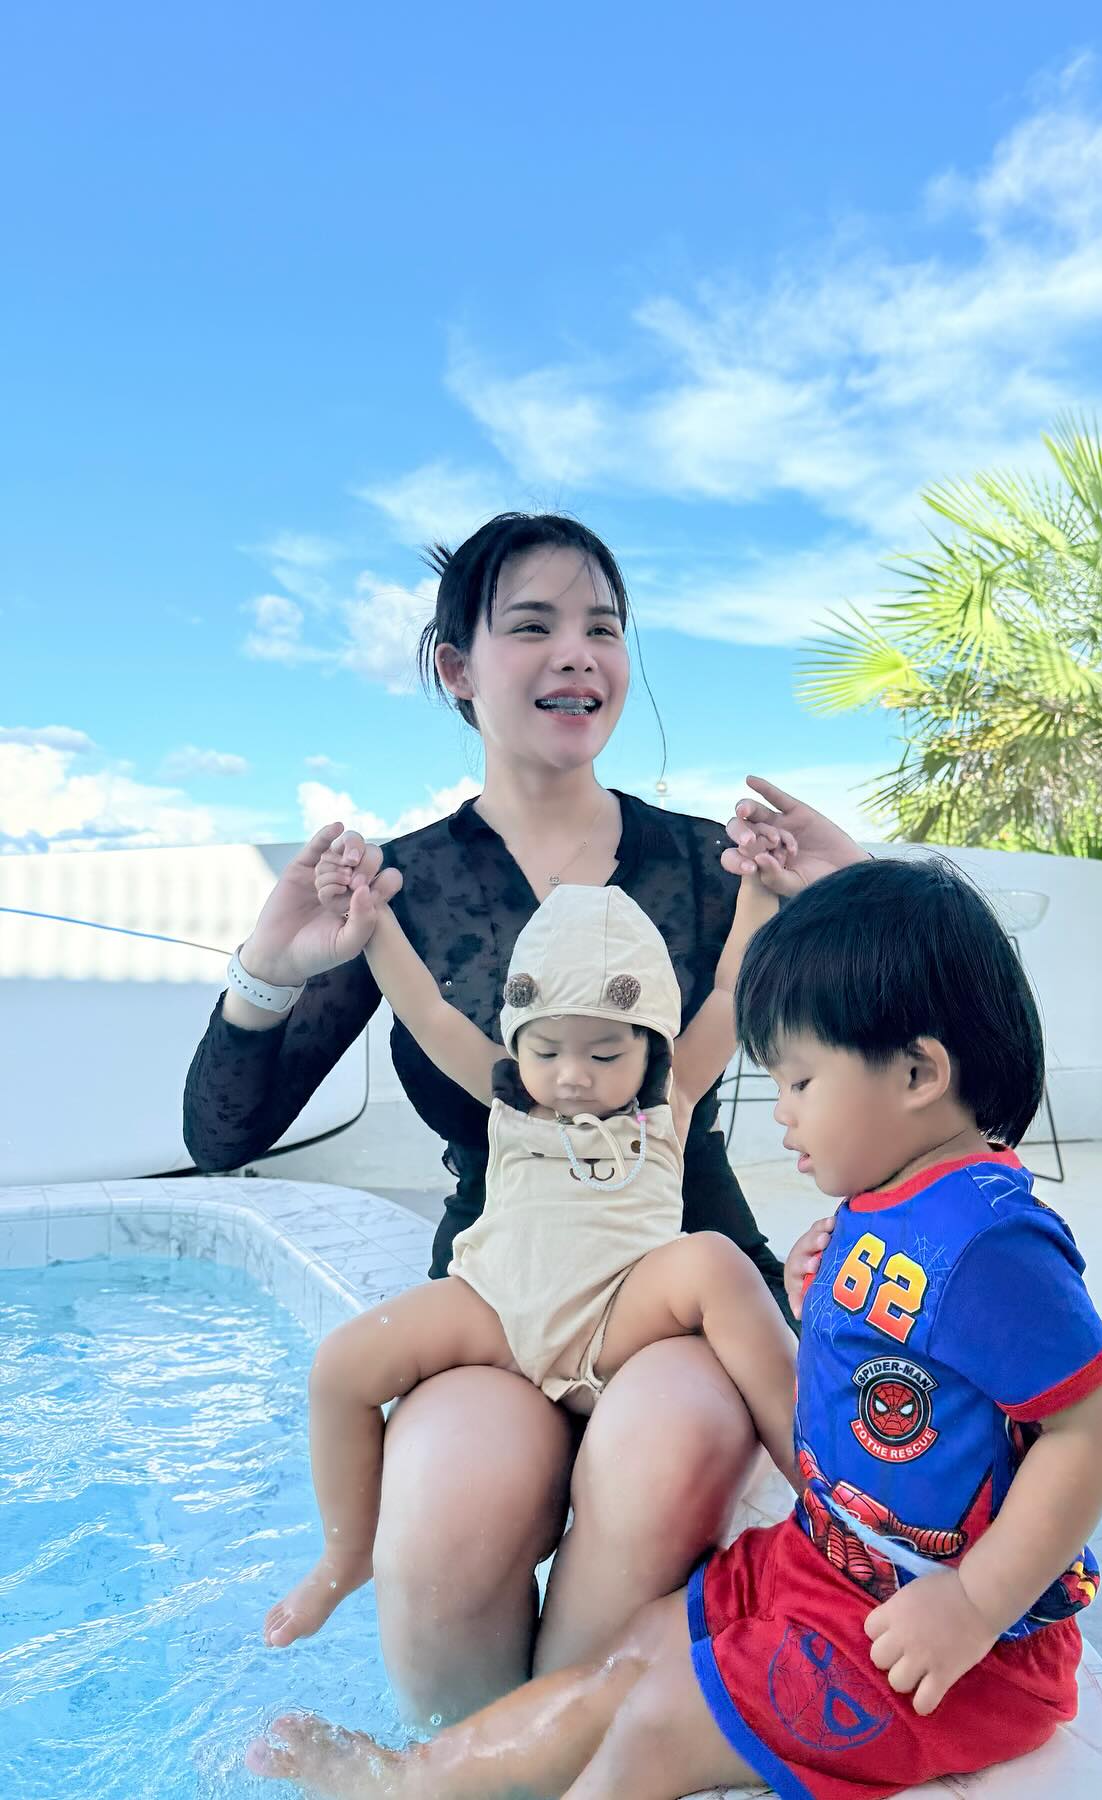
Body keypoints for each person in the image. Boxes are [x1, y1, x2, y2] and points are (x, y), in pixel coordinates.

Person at [247, 855, 1102, 1800]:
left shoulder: (992, 1242)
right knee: (633, 1649)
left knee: (654, 1725)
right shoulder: (891, 1204)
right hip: (828, 1569)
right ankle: (419, 1777)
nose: (781, 1114)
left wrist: (972, 1603)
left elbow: (1098, 1428)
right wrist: (814, 1292)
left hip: (947, 1638)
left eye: (800, 1081)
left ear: (919, 1072)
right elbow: (909, 1366)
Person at [183, 510, 871, 1719]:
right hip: (498, 1293)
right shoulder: (397, 891)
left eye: (603, 627)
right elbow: (222, 1135)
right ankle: (471, 1759)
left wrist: (856, 899)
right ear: (458, 666)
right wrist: (270, 966)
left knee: (666, 1453)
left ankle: (531, 1764)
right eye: (534, 626)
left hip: (678, 1291)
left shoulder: (717, 865)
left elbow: (923, 1073)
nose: (576, 655)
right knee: (444, 1507)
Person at [263, 872, 798, 1649]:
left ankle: (817, 1479)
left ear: (650, 1045)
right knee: (339, 1365)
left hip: (619, 1312)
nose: (573, 1074)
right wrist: (372, 921)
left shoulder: (668, 1101)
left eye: (604, 1053)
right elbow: (427, 1008)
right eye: (547, 1050)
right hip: (497, 1308)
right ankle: (346, 1556)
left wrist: (757, 891)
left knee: (715, 1261)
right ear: (520, 1041)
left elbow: (726, 990)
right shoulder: (506, 1100)